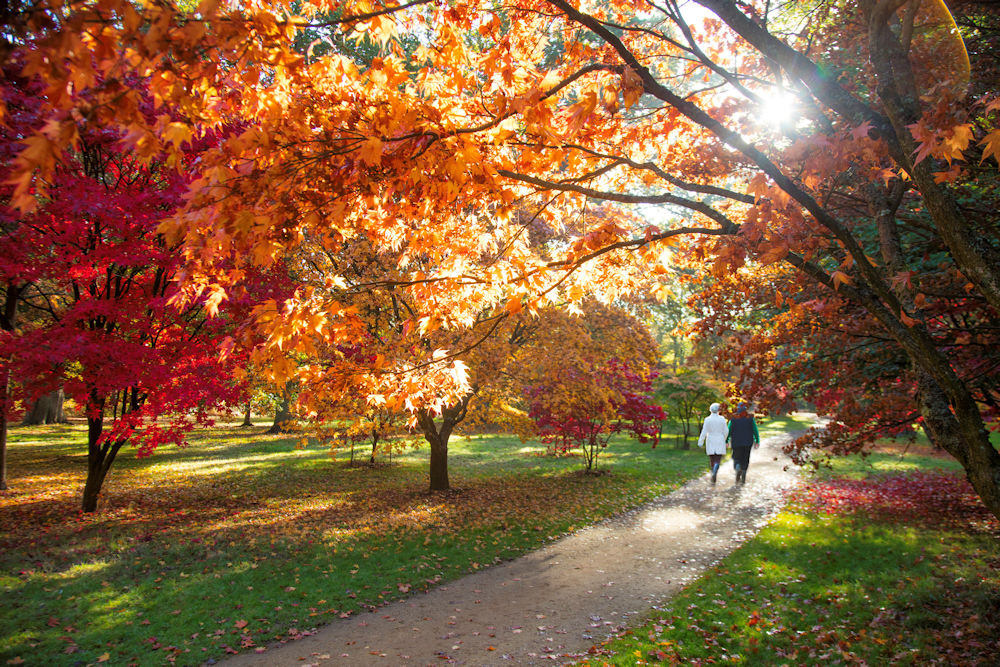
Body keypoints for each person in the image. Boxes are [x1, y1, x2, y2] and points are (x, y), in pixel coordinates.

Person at [726, 403, 760, 484]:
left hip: (736, 442)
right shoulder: (750, 419)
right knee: (745, 458)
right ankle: (743, 473)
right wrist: (757, 440)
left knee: (736, 457)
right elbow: (755, 430)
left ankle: (737, 467)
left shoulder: (733, 419)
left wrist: (726, 440)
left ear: (737, 409)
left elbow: (729, 431)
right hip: (748, 442)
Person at [696, 403, 728, 484]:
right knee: (718, 457)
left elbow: (704, 431)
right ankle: (716, 468)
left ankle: (713, 470)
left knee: (712, 458)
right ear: (718, 410)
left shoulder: (707, 419)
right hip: (720, 438)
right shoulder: (722, 419)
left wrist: (700, 442)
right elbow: (726, 431)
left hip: (710, 439)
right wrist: (724, 438)